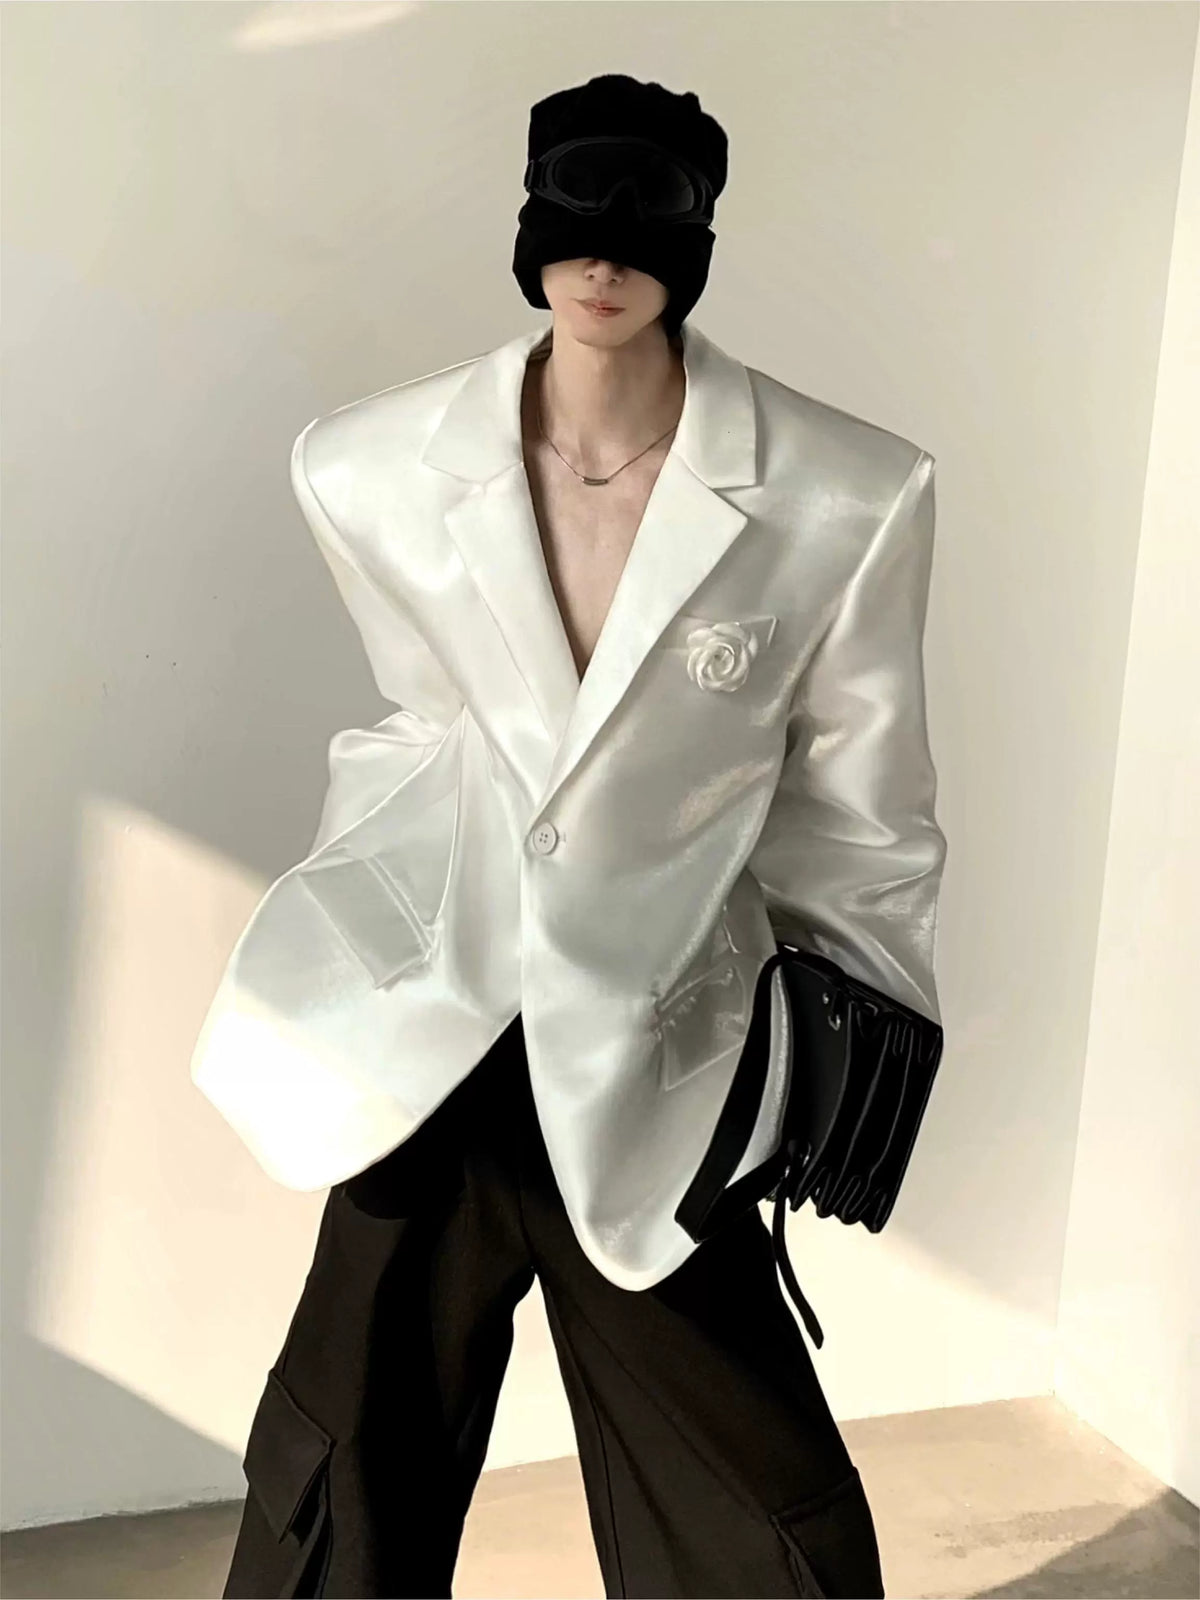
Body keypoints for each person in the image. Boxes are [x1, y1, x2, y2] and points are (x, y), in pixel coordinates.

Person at [205, 72, 946, 1599]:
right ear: (528, 222)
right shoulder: (367, 466)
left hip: (664, 1048)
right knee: (340, 1476)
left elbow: (861, 813)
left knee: (761, 1516)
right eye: (572, 216)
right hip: (438, 1032)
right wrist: (374, 906)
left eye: (645, 218)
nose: (602, 258)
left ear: (700, 239)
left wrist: (845, 1047)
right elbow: (419, 728)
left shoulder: (847, 495)